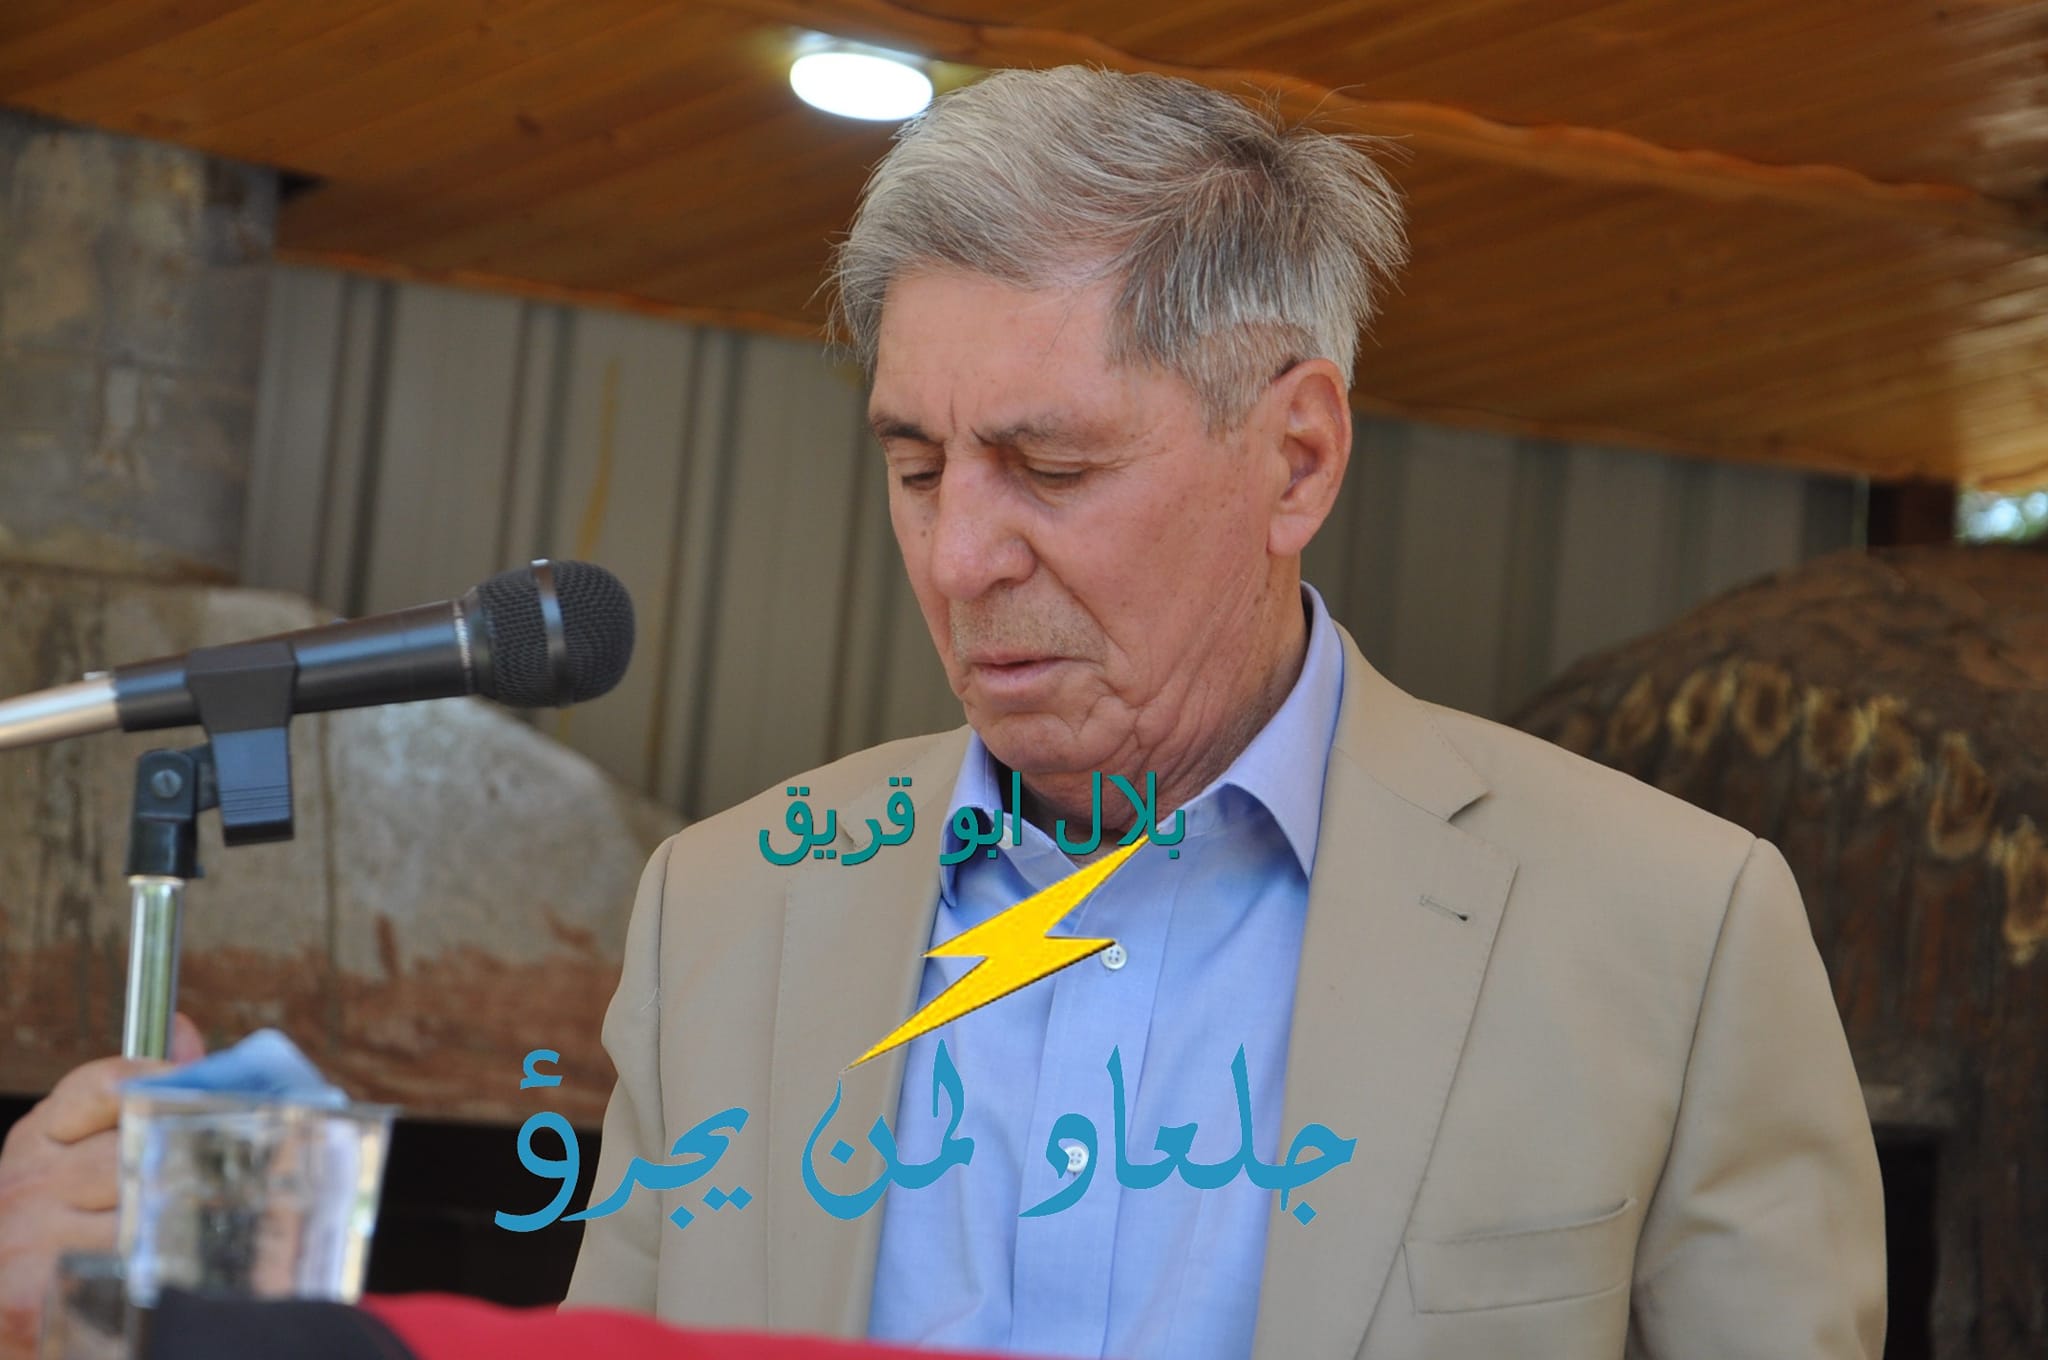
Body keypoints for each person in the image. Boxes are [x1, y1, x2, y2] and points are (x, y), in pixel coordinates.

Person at [0, 64, 1885, 1360]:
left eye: (1049, 468)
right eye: (915, 466)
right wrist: (113, 1315)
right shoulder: (726, 907)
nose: (961, 555)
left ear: (1296, 456)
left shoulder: (1674, 928)